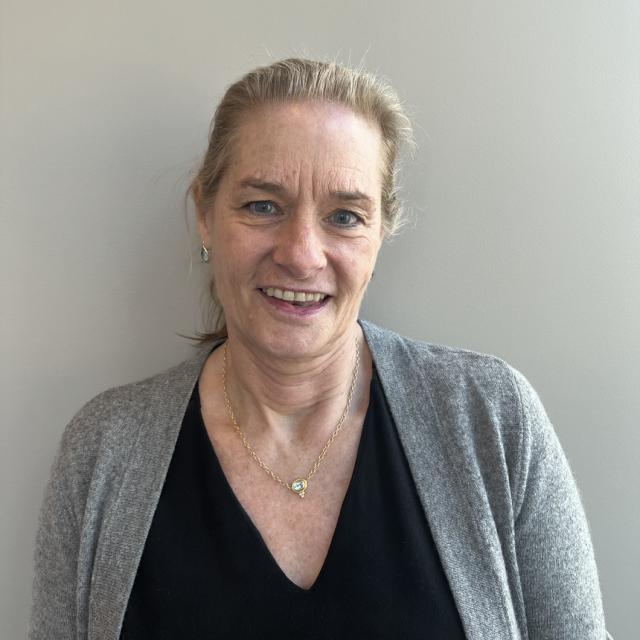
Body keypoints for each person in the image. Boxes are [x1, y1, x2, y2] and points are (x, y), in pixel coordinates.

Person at [29, 58, 610, 639]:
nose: (302, 254)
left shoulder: (491, 419)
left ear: (382, 231)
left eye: (344, 216)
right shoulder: (105, 450)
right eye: (262, 205)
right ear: (205, 214)